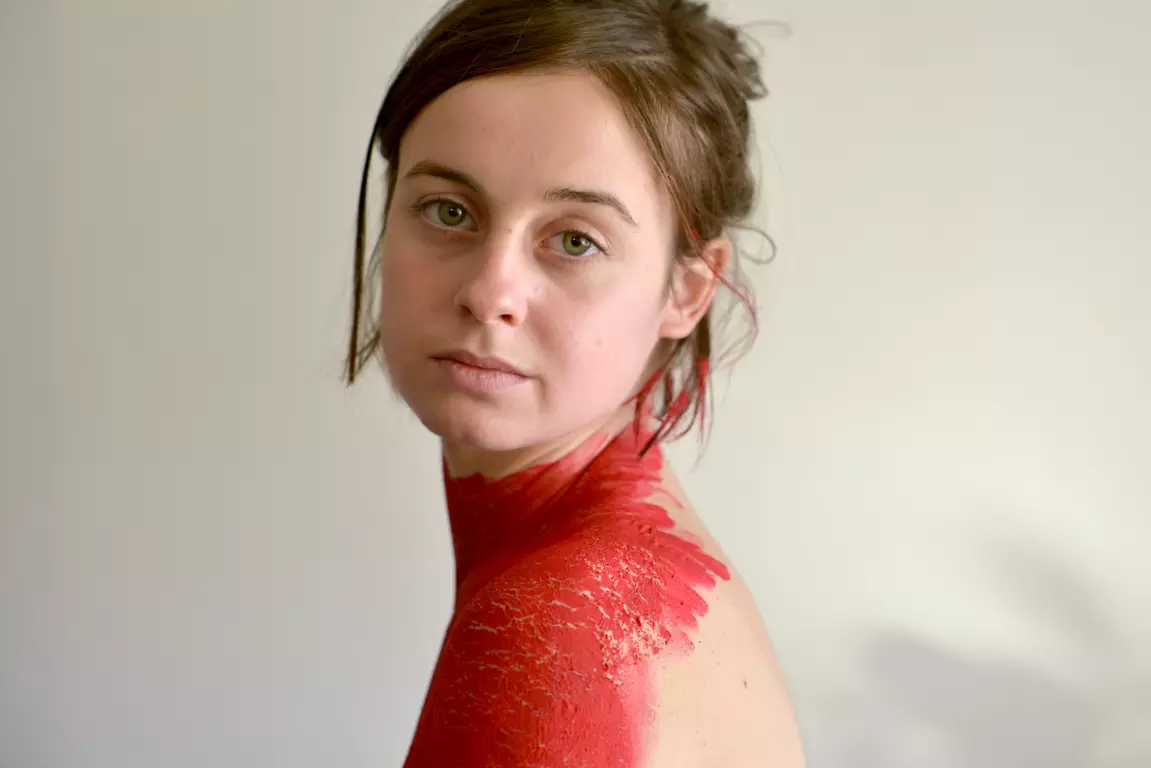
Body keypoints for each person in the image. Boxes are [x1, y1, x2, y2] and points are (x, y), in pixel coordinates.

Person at [344, 0, 805, 764]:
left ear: (688, 289)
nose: (489, 292)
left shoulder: (559, 625)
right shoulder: (618, 572)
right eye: (449, 210)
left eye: (574, 240)